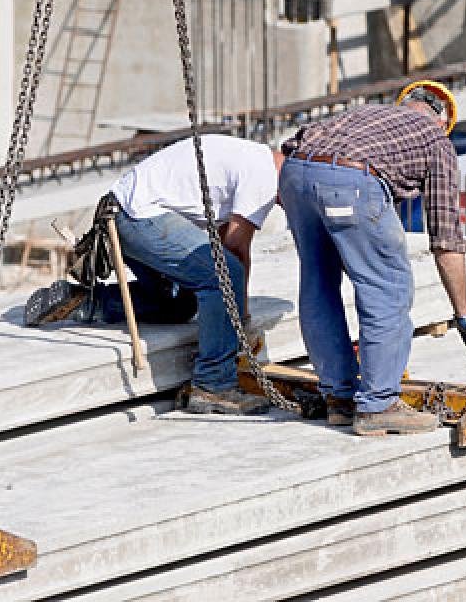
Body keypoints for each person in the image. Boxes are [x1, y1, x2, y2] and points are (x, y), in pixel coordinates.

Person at [278, 80, 466, 437]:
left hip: (294, 173)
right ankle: (379, 405)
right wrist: (463, 311)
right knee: (386, 287)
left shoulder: (365, 114)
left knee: (318, 284)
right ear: (443, 121)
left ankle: (340, 398)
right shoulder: (436, 140)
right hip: (351, 181)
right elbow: (446, 237)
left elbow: (295, 142)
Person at [24, 134, 282, 415]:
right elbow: (233, 250)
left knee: (179, 303)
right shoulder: (266, 175)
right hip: (139, 217)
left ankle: (85, 303)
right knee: (224, 274)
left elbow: (222, 240)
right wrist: (240, 321)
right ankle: (213, 385)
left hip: (122, 213)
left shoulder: (254, 158)